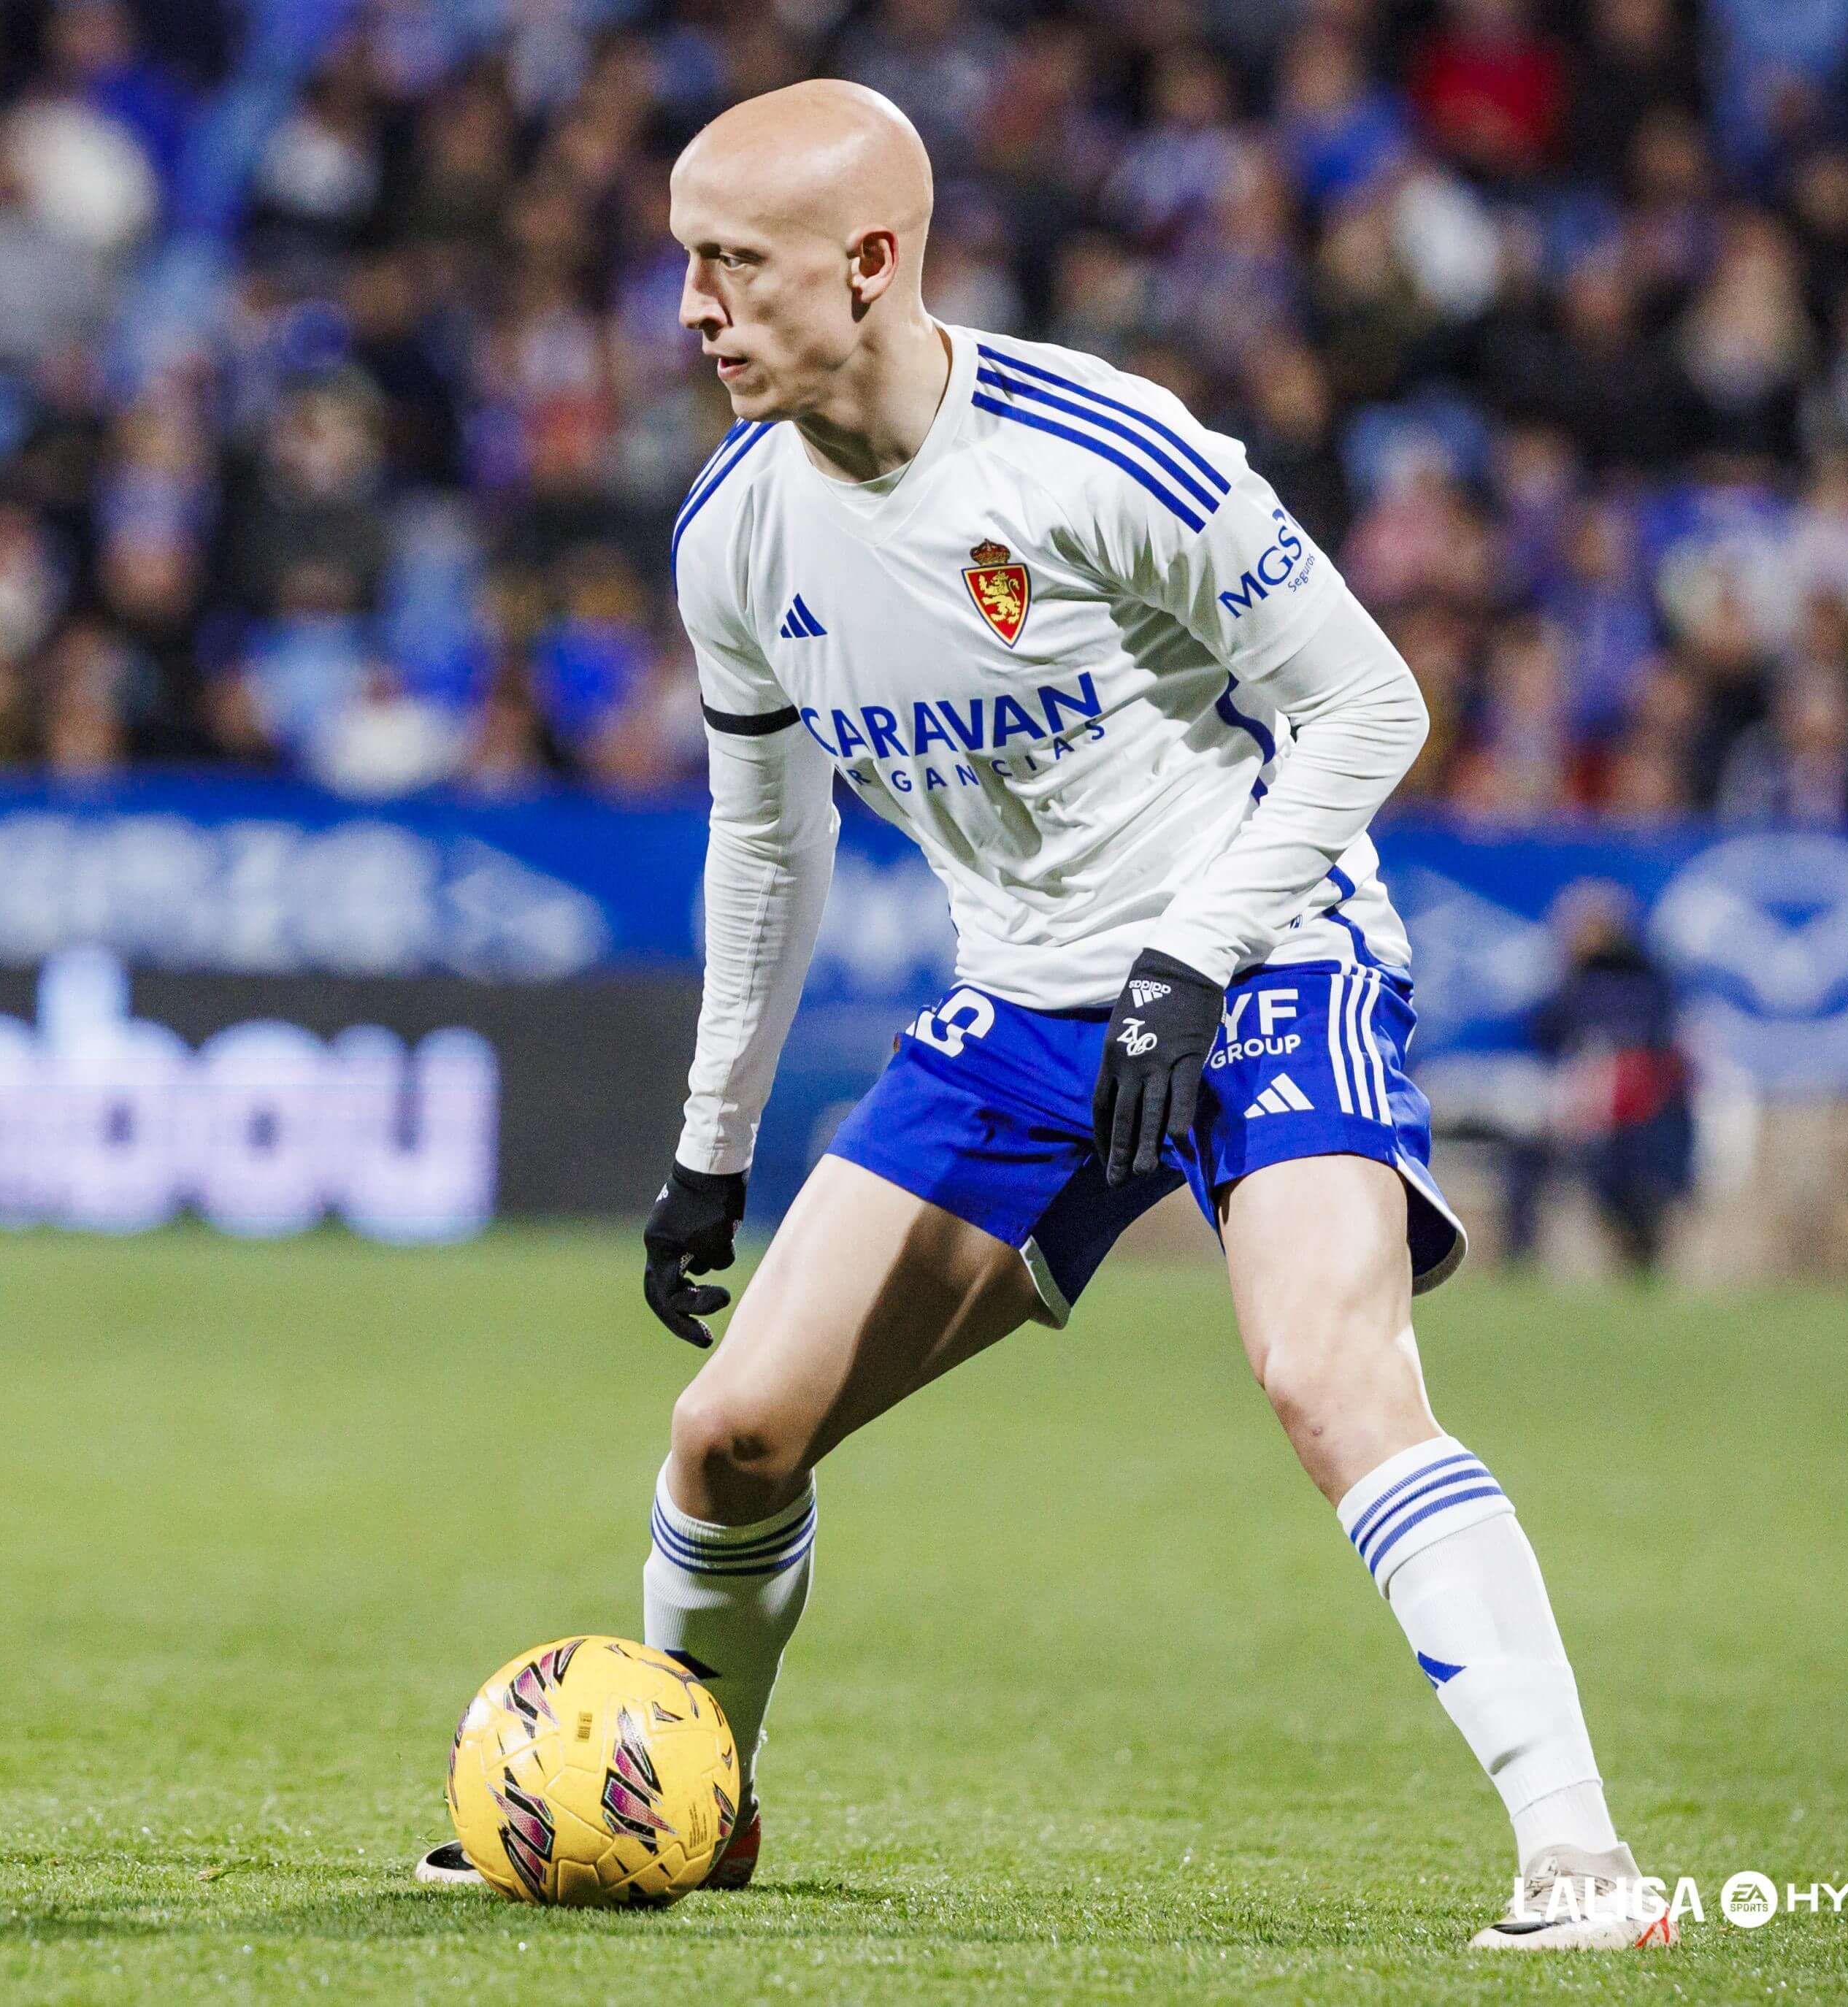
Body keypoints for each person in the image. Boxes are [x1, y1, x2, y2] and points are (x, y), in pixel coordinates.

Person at [416, 81, 1665, 1949]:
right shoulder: (735, 535)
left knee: (1329, 1372)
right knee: (727, 1434)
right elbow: (766, 853)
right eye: (682, 262)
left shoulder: (1102, 453)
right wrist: (709, 1146)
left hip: (1265, 953)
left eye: (730, 265)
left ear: (869, 264)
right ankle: (685, 1801)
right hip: (1022, 1010)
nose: (688, 307)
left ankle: (1583, 1859)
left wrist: (1194, 958)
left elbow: (1373, 708)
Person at [1505, 881, 1694, 1273]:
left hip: (1638, 1113)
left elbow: (1662, 1053)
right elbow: (1545, 1037)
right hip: (1583, 1109)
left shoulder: (1646, 984)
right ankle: (1521, 1256)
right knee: (1527, 1157)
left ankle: (1642, 1251)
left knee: (1637, 1170)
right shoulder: (1572, 986)